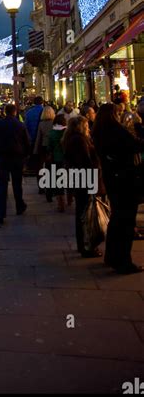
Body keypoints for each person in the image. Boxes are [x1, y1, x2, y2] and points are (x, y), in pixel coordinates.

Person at [93, 103, 144, 275]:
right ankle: (123, 261)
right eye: (119, 112)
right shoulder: (116, 130)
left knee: (116, 218)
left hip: (112, 178)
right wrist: (137, 126)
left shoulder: (99, 130)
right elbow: (137, 145)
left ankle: (112, 256)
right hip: (125, 178)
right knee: (126, 221)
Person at [62, 116, 103, 258]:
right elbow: (85, 161)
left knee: (82, 212)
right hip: (84, 179)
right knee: (86, 214)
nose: (88, 128)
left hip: (79, 179)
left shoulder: (72, 138)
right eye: (86, 125)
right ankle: (86, 246)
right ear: (80, 126)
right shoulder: (79, 140)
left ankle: (84, 244)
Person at [0, 103, 29, 229]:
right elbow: (27, 143)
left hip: (3, 158)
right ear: (15, 112)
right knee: (17, 185)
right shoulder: (20, 125)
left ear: (5, 112)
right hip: (17, 158)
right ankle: (19, 206)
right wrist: (25, 158)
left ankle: (1, 214)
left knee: (2, 187)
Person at [46, 113, 68, 209]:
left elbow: (49, 147)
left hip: (56, 158)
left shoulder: (52, 133)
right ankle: (69, 198)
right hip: (67, 159)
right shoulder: (67, 132)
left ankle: (60, 202)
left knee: (59, 181)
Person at [33, 105, 55, 194]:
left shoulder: (41, 124)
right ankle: (52, 186)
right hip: (53, 147)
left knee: (41, 167)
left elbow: (38, 138)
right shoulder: (55, 123)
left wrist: (35, 150)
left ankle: (41, 187)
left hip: (43, 147)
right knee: (52, 167)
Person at [24, 96, 44, 173]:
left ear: (34, 103)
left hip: (32, 138)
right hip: (42, 139)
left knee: (33, 154)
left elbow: (26, 126)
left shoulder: (29, 113)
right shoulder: (45, 111)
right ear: (42, 102)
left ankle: (32, 168)